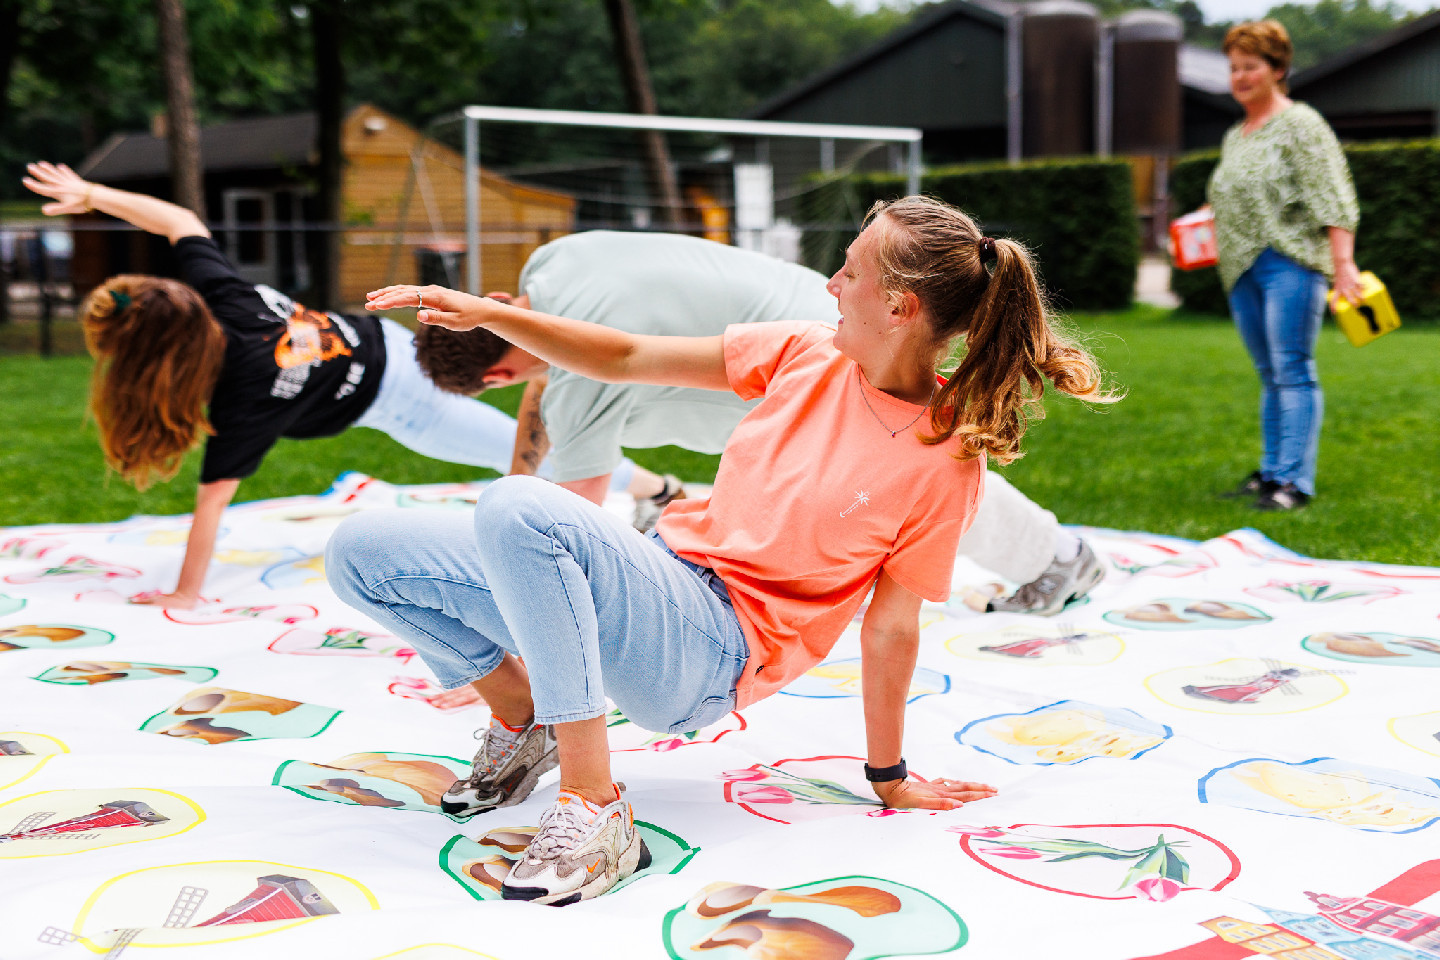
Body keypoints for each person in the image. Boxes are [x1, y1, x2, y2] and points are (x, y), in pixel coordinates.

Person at [326, 196, 1114, 905]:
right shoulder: (809, 351)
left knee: (519, 508)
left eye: (847, 272)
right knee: (361, 550)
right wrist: (489, 316)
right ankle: (521, 711)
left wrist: (889, 778)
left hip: (712, 656)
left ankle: (594, 804)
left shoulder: (946, 459)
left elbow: (890, 629)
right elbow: (627, 356)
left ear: (901, 307)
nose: (831, 284)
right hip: (663, 580)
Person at [20, 162, 651, 608]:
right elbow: (178, 219)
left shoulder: (245, 394)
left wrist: (186, 594)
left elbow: (211, 504)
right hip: (390, 352)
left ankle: (654, 485)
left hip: (406, 398)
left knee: (531, 455)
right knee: (532, 443)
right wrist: (91, 193)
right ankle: (652, 481)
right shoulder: (222, 296)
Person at [416, 230, 1105, 616]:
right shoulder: (551, 264)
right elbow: (548, 385)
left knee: (910, 475)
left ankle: (1056, 559)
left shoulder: (575, 378)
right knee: (913, 466)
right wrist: (514, 475)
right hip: (816, 313)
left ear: (499, 378)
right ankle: (1056, 556)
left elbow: (566, 521)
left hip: (805, 347)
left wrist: (500, 590)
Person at [1206, 20, 1362, 511]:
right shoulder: (1237, 134)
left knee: (1292, 370)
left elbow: (1334, 197)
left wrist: (1344, 266)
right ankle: (1273, 471)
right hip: (1241, 268)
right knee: (1270, 372)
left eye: (1251, 66)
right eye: (1234, 68)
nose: (1240, 76)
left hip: (1289, 263)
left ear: (1277, 69)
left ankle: (1294, 482)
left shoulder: (1301, 124)